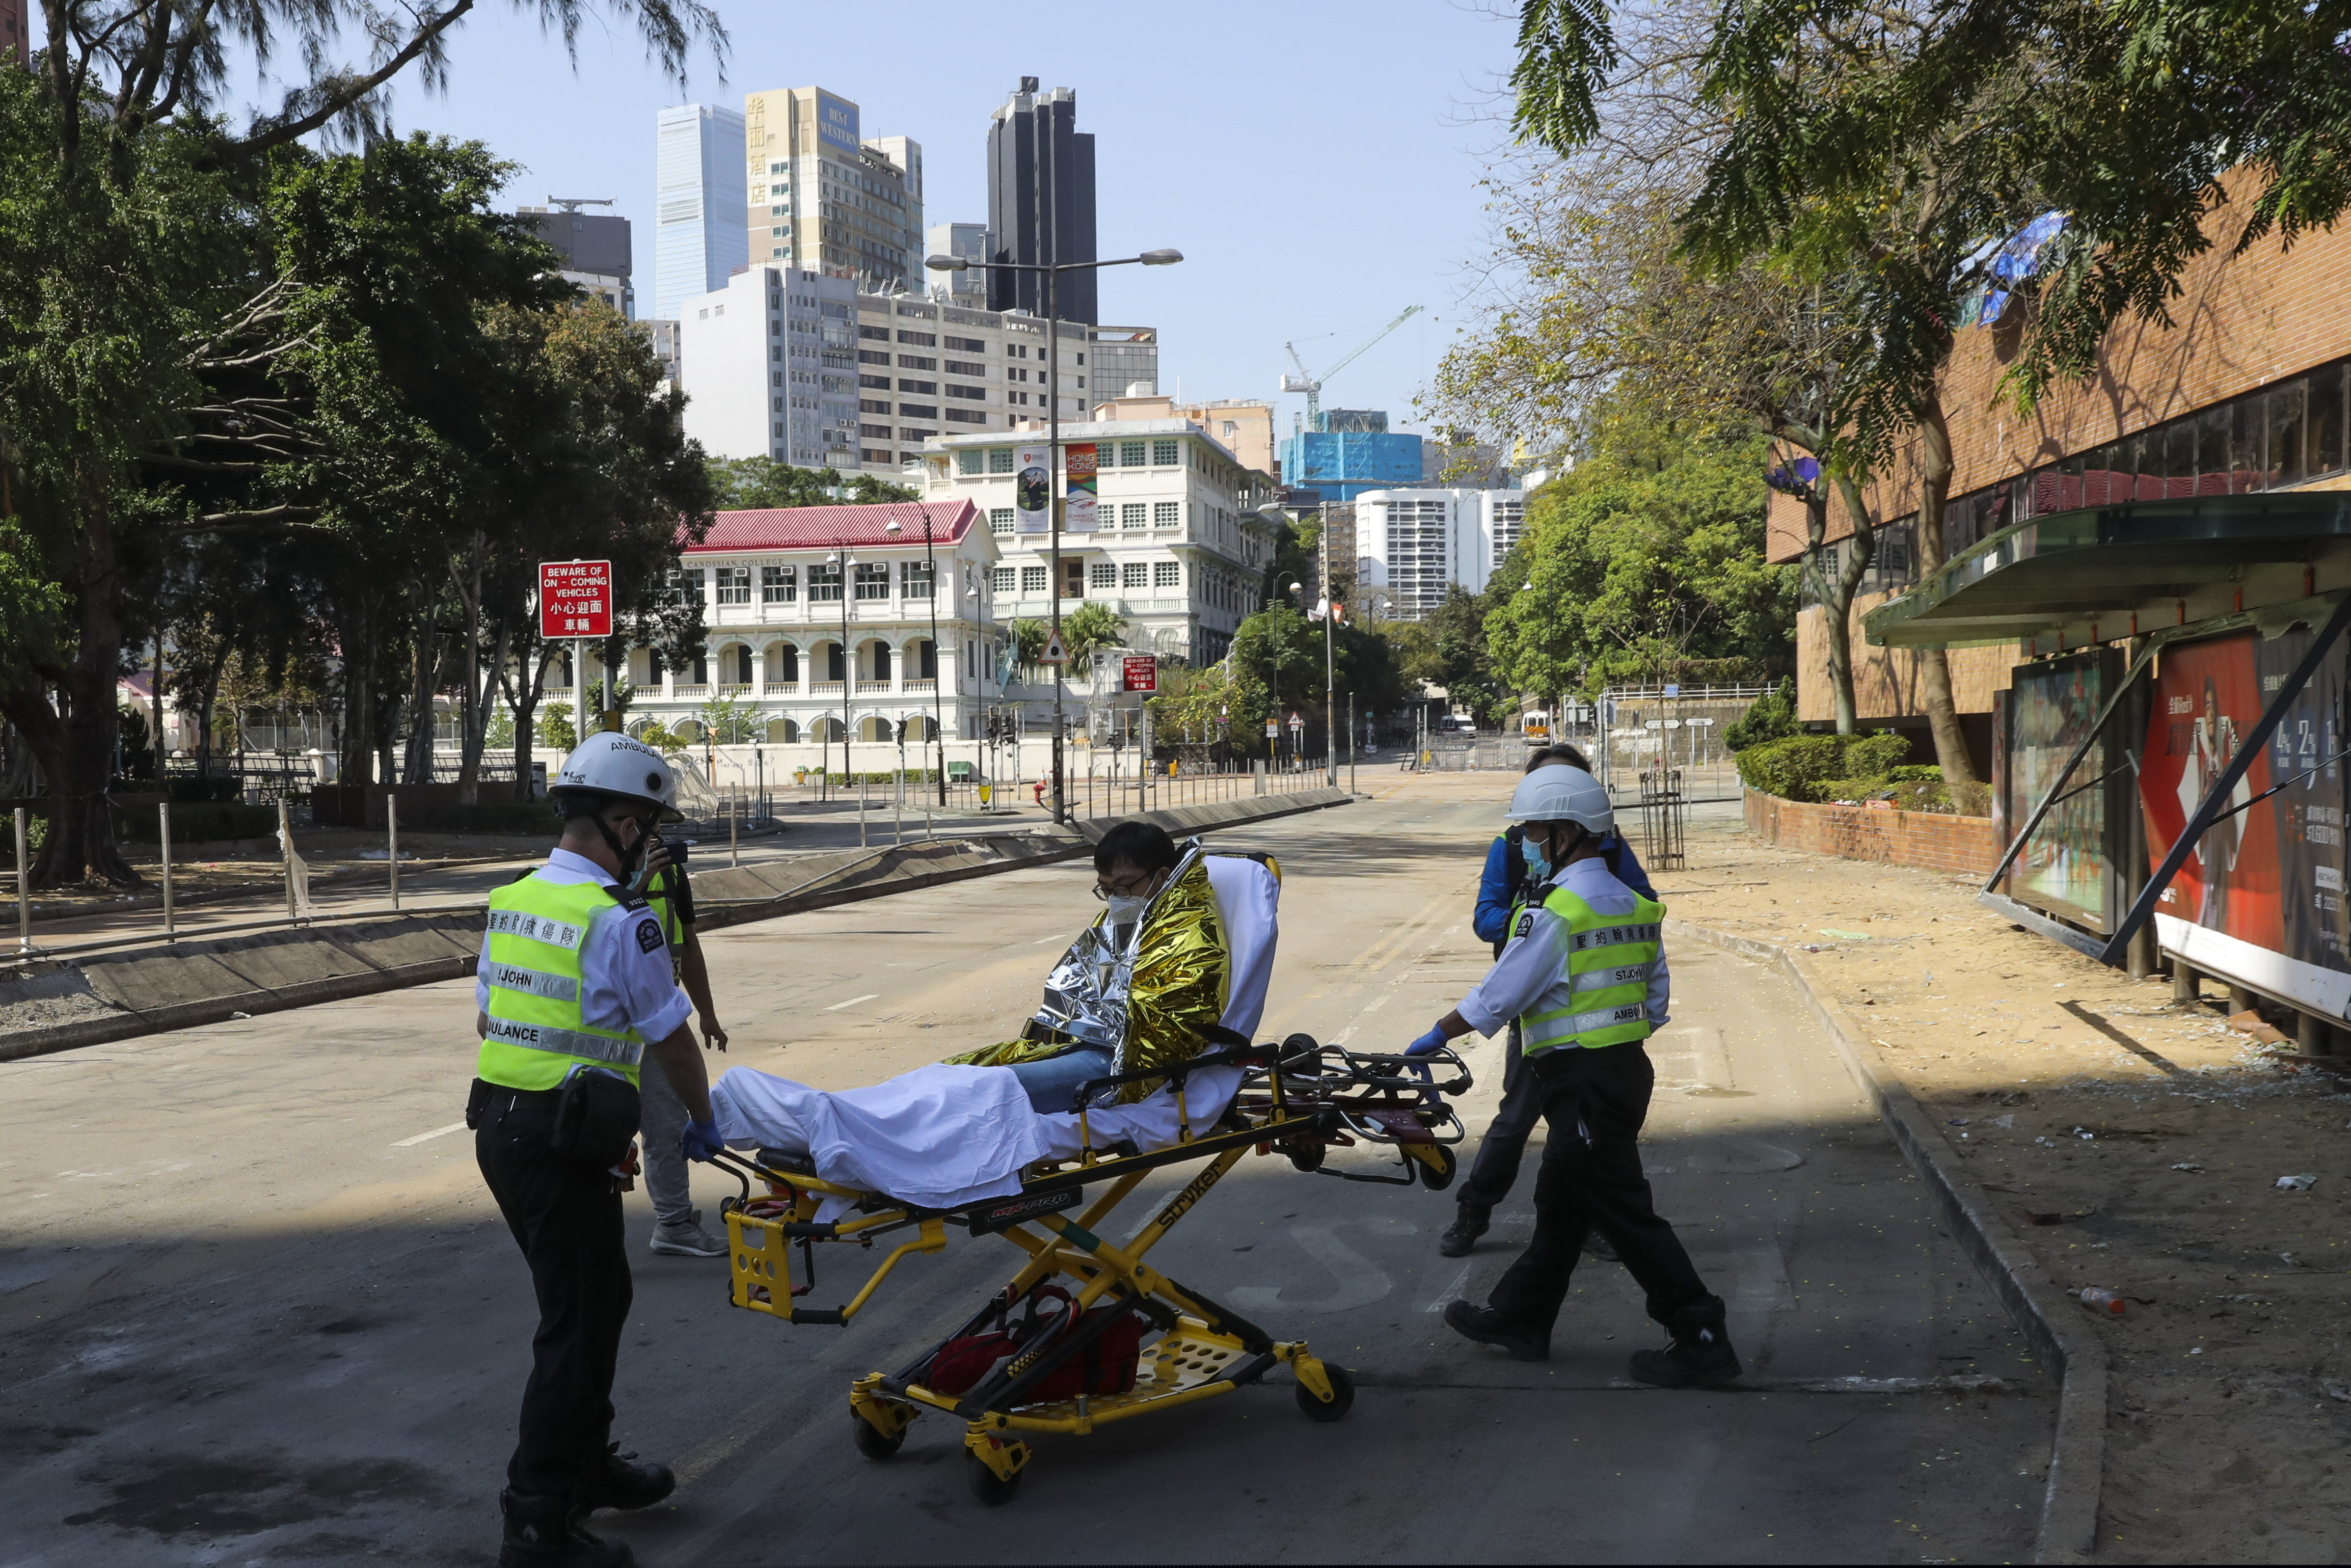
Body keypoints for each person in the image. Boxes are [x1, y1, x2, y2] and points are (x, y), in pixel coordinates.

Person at [469, 732, 727, 1567]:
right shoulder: (619, 920)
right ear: (620, 822)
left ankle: (588, 1463)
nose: (651, 846)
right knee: (575, 1325)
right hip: (558, 1137)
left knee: (597, 1298)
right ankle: (538, 1519)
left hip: (506, 1130)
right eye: (648, 830)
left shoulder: (512, 898)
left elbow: (488, 1016)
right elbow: (673, 1039)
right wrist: (703, 1120)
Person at [1410, 763, 1740, 1388]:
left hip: (1580, 1082)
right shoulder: (1635, 903)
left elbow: (1500, 994)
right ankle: (1521, 1318)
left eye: (1533, 832)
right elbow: (1657, 1002)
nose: (1526, 844)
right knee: (1560, 1204)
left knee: (1624, 1214)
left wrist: (1438, 1034)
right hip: (1620, 1073)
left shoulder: (1555, 911)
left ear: (1565, 833)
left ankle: (1701, 1334)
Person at [1442, 744, 1654, 1258]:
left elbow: (1640, 903)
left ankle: (1598, 1223)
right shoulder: (1512, 847)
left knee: (1594, 1133)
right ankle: (1475, 1210)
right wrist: (1529, 918)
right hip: (1539, 1008)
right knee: (1516, 1116)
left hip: (1599, 1016)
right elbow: (1485, 917)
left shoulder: (1604, 845)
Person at [941, 820, 1228, 1112]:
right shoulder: (1121, 920)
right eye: (1105, 889)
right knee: (945, 1076)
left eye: (1123, 888)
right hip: (1078, 1047)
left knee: (979, 1093)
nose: (1115, 900)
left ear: (1162, 876)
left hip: (1121, 1064)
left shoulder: (1191, 936)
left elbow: (1169, 1029)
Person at [632, 836, 733, 1258]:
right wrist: (636, 882)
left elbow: (687, 942)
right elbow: (594, 921)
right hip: (604, 1028)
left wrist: (706, 1013)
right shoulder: (593, 866)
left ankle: (673, 1223)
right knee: (598, 1133)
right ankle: (589, 1240)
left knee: (666, 1127)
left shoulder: (671, 872)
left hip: (658, 1015)